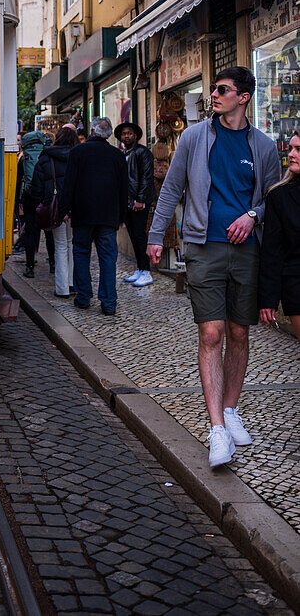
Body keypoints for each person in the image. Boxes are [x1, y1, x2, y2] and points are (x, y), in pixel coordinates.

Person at [147, 66, 281, 469]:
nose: (214, 96)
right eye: (213, 90)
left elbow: (271, 199)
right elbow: (171, 188)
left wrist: (252, 216)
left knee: (239, 332)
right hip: (203, 247)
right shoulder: (193, 137)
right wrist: (155, 236)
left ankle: (231, 409)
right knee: (212, 332)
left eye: (222, 90)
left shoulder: (263, 146)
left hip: (247, 250)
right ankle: (217, 428)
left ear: (244, 97)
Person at [57, 117, 128, 315]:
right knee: (107, 258)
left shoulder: (77, 152)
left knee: (81, 253)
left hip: (82, 213)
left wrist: (63, 210)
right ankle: (108, 302)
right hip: (108, 215)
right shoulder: (117, 155)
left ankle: (83, 296)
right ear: (109, 134)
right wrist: (122, 215)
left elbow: (68, 184)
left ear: (92, 132)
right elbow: (124, 189)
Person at [259, 132, 300, 342]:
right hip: (296, 282)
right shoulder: (279, 195)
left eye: (298, 150)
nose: (291, 154)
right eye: (291, 148)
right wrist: (269, 298)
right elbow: (272, 250)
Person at [32, 126, 76, 296]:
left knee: (60, 246)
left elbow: (37, 185)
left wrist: (42, 202)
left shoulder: (46, 157)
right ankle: (72, 283)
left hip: (55, 207)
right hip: (75, 207)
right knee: (73, 245)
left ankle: (62, 288)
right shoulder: (78, 156)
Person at [114, 122, 155, 287]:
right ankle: (140, 268)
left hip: (138, 201)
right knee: (133, 236)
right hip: (128, 201)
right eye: (124, 134)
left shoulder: (142, 152)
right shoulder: (124, 153)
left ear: (135, 135)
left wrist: (140, 199)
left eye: (129, 133)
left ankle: (147, 271)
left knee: (140, 236)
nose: (126, 136)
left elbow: (146, 177)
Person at [19, 129, 47, 278]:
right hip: (45, 198)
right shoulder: (47, 156)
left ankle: (30, 265)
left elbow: (18, 180)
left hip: (29, 198)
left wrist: (18, 202)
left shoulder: (24, 158)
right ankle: (54, 264)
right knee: (49, 232)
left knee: (30, 231)